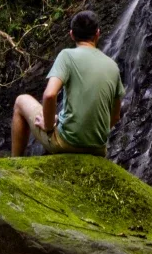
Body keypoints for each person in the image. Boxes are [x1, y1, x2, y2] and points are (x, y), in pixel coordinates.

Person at [11, 10, 124, 157]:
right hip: (98, 148)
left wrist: (49, 125)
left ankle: (14, 163)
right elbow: (115, 116)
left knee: (21, 101)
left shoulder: (67, 56)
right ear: (97, 33)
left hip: (66, 143)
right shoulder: (112, 66)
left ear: (71, 34)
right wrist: (91, 135)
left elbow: (50, 95)